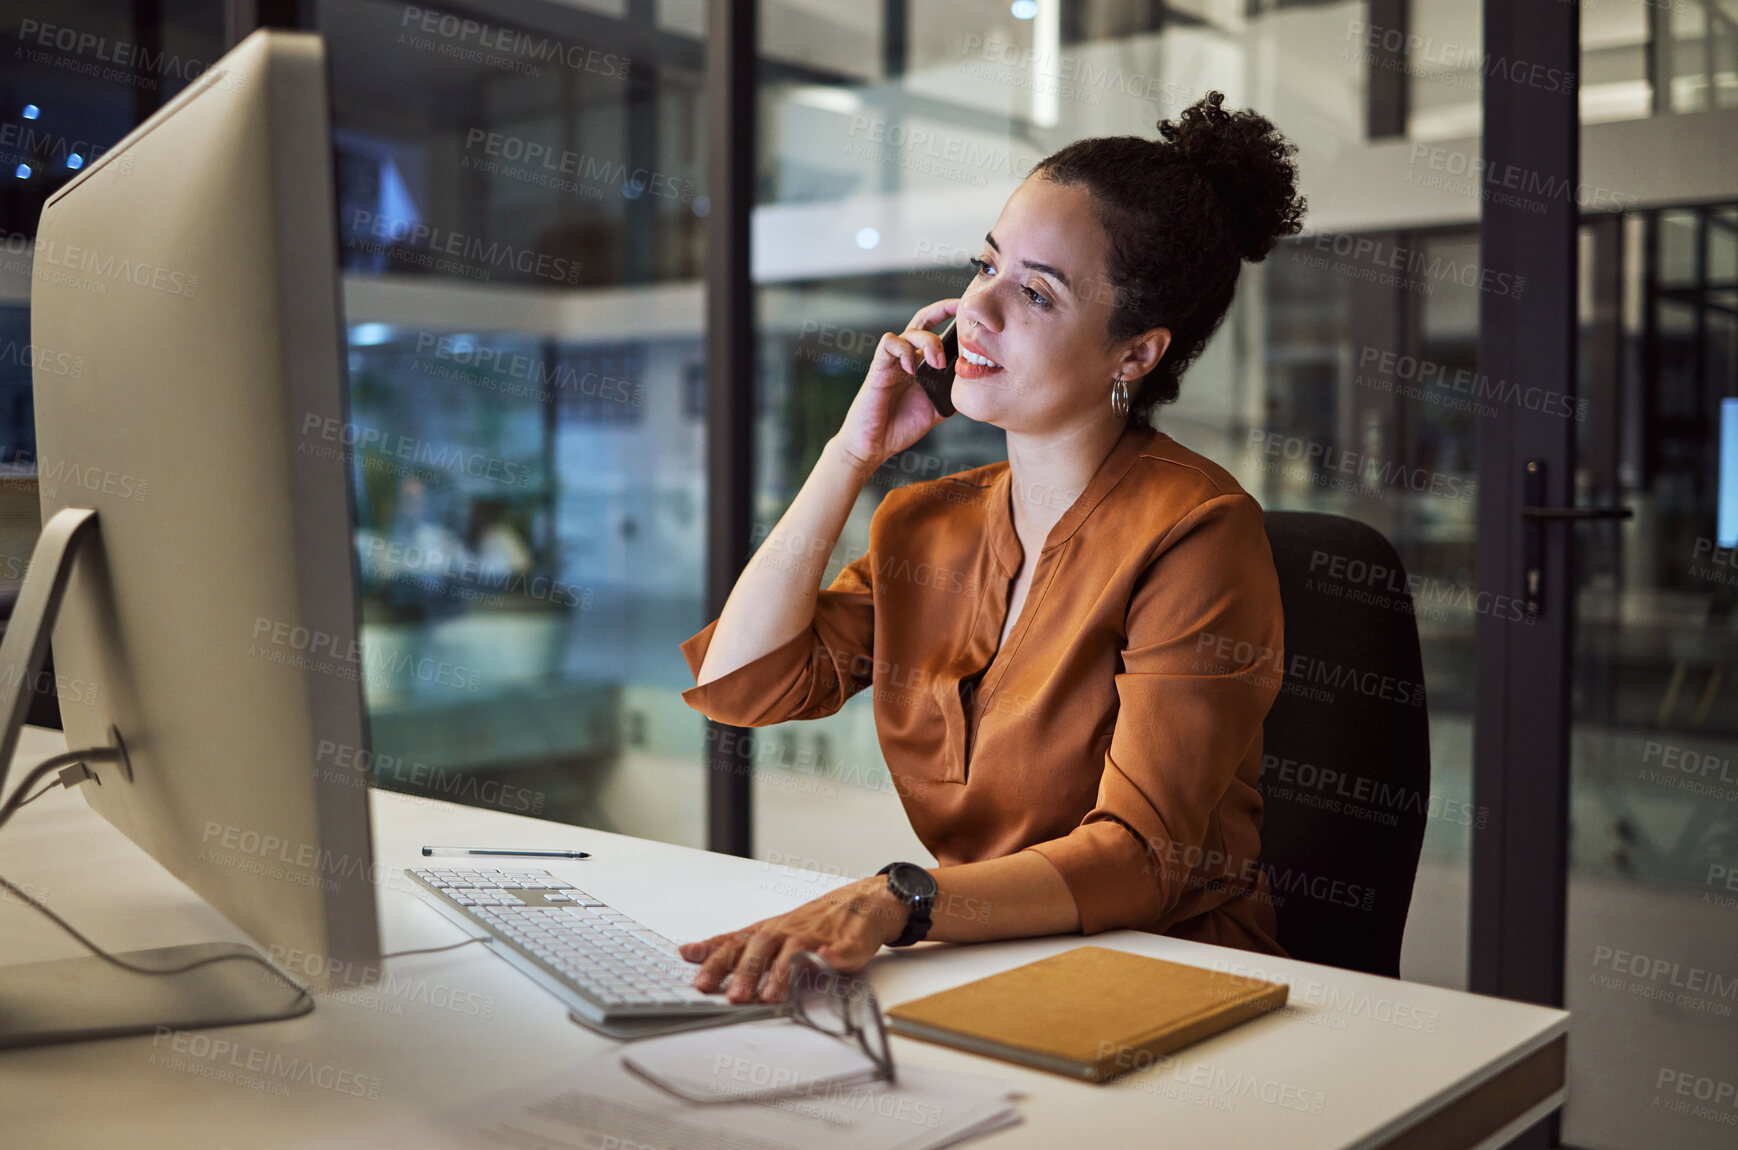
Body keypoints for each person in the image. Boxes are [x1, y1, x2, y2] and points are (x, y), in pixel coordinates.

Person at [676, 91, 1307, 1004]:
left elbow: (1141, 860)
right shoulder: (925, 524)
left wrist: (897, 901)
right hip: (981, 957)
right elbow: (746, 687)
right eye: (986, 265)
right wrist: (849, 456)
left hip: (1169, 973)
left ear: (1135, 355)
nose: (977, 307)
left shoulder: (1198, 531)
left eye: (1035, 292)